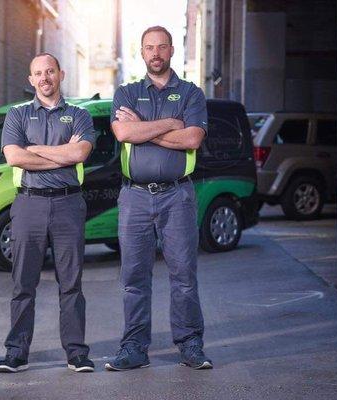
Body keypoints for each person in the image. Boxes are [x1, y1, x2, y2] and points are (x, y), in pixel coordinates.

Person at [105, 26, 213, 371]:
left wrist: (145, 131)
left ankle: (190, 345)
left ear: (171, 51)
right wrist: (169, 124)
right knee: (135, 277)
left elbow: (193, 139)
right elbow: (124, 132)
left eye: (161, 47)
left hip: (177, 196)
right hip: (134, 198)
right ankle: (134, 347)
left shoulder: (191, 93)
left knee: (183, 274)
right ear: (142, 52)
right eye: (149, 47)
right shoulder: (126, 93)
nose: (155, 53)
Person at [0, 53, 95, 373]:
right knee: (23, 282)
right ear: (31, 79)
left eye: (50, 71)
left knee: (71, 282)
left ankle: (76, 352)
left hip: (68, 204)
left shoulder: (79, 115)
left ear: (60, 74)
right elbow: (14, 157)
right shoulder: (18, 115)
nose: (44, 78)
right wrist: (61, 156)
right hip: (29, 205)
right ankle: (17, 351)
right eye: (38, 73)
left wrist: (35, 150)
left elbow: (80, 152)